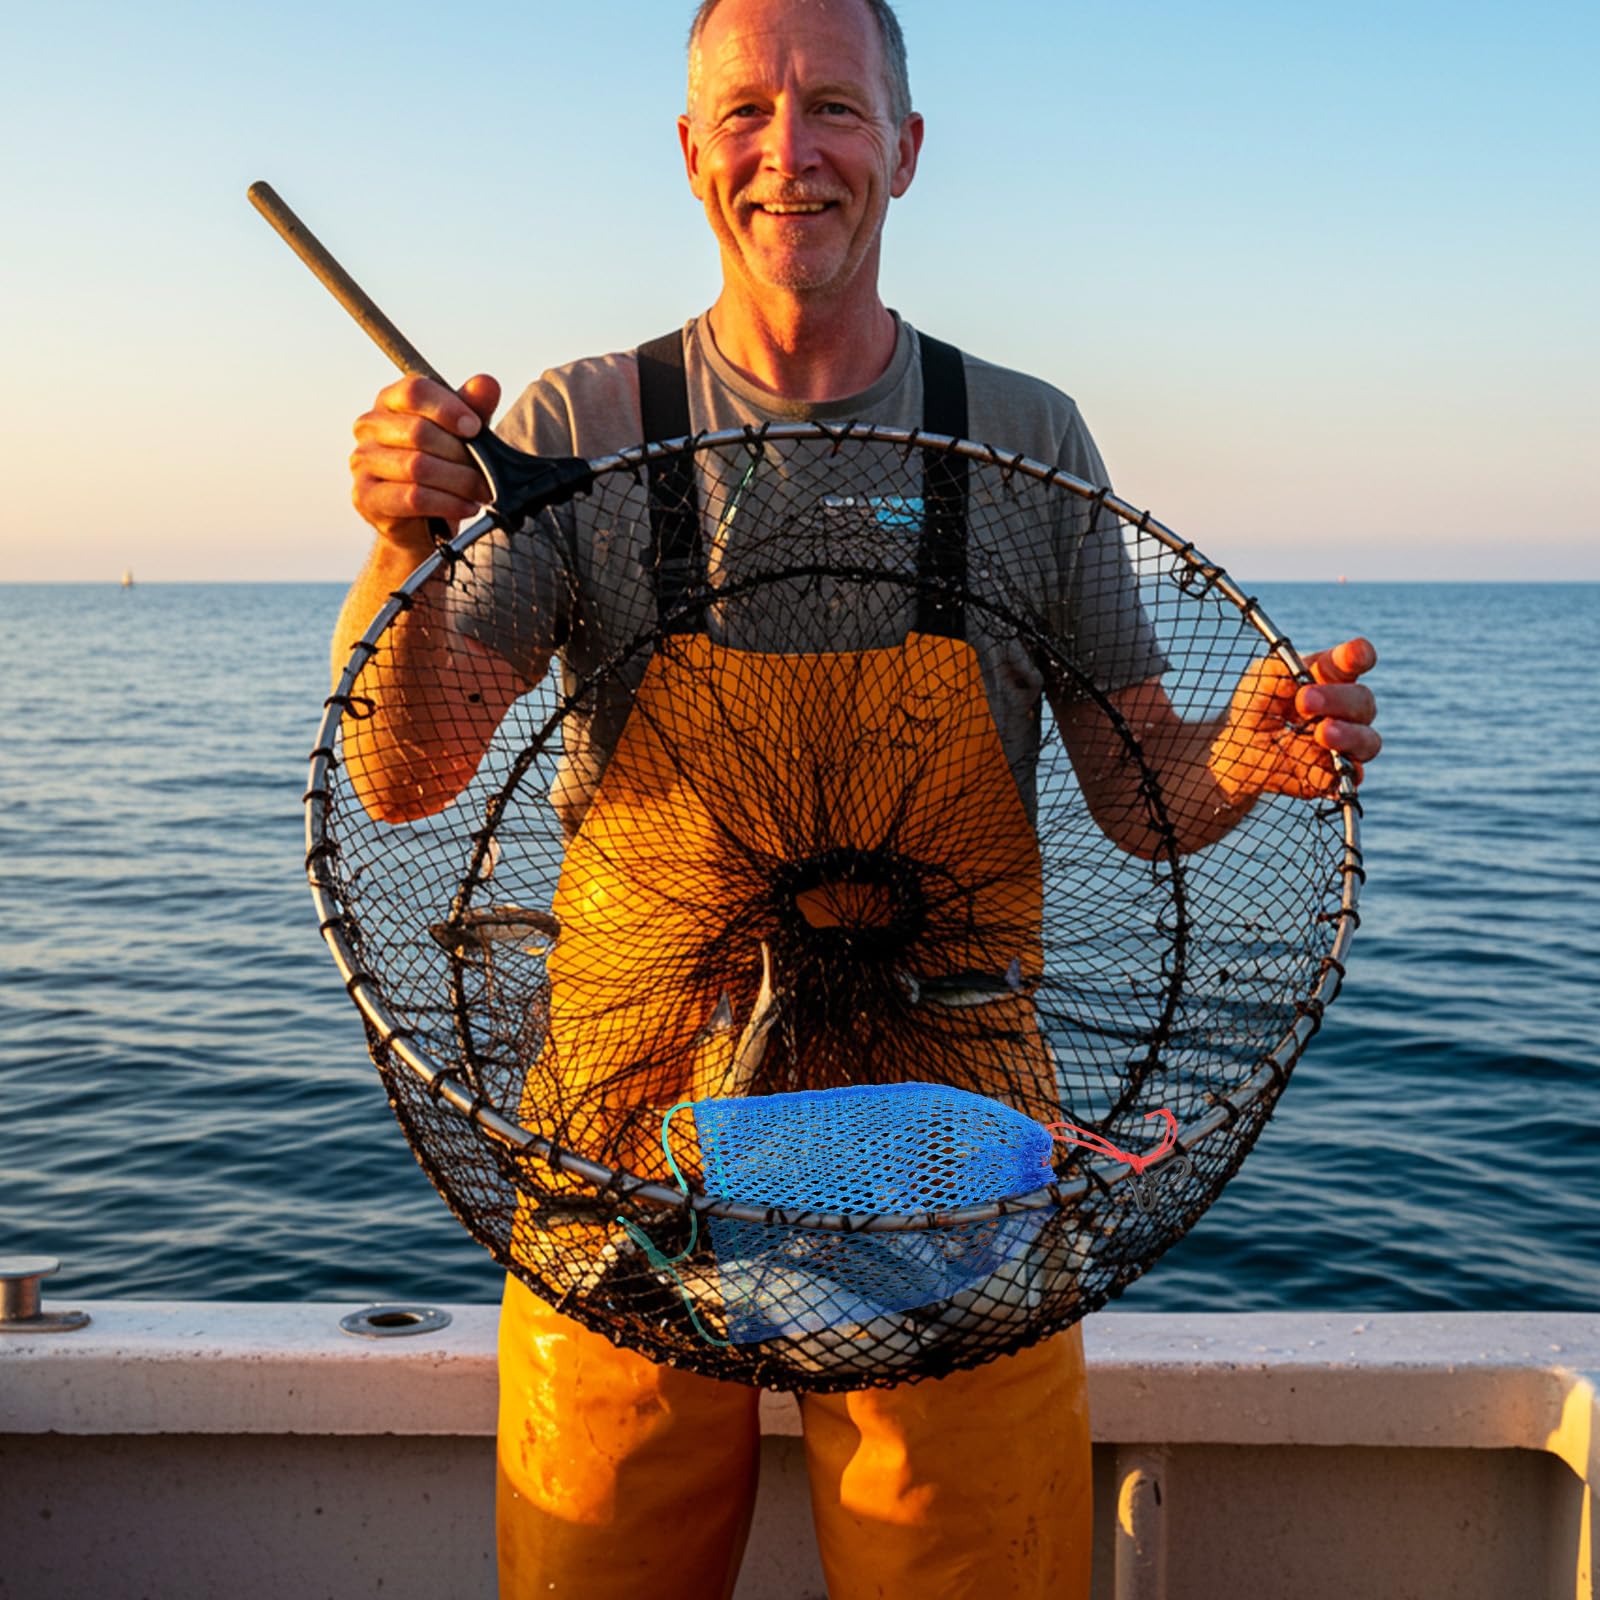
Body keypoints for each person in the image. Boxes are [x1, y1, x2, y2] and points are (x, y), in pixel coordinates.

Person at [334, 1, 1382, 1595]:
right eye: (745, 112)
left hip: (952, 1156)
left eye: (834, 106)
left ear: (904, 145)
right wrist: (406, 542)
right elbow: (405, 780)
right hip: (628, 1153)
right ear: (692, 153)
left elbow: (1134, 792)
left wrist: (1245, 750)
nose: (789, 152)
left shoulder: (1023, 437)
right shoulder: (574, 433)